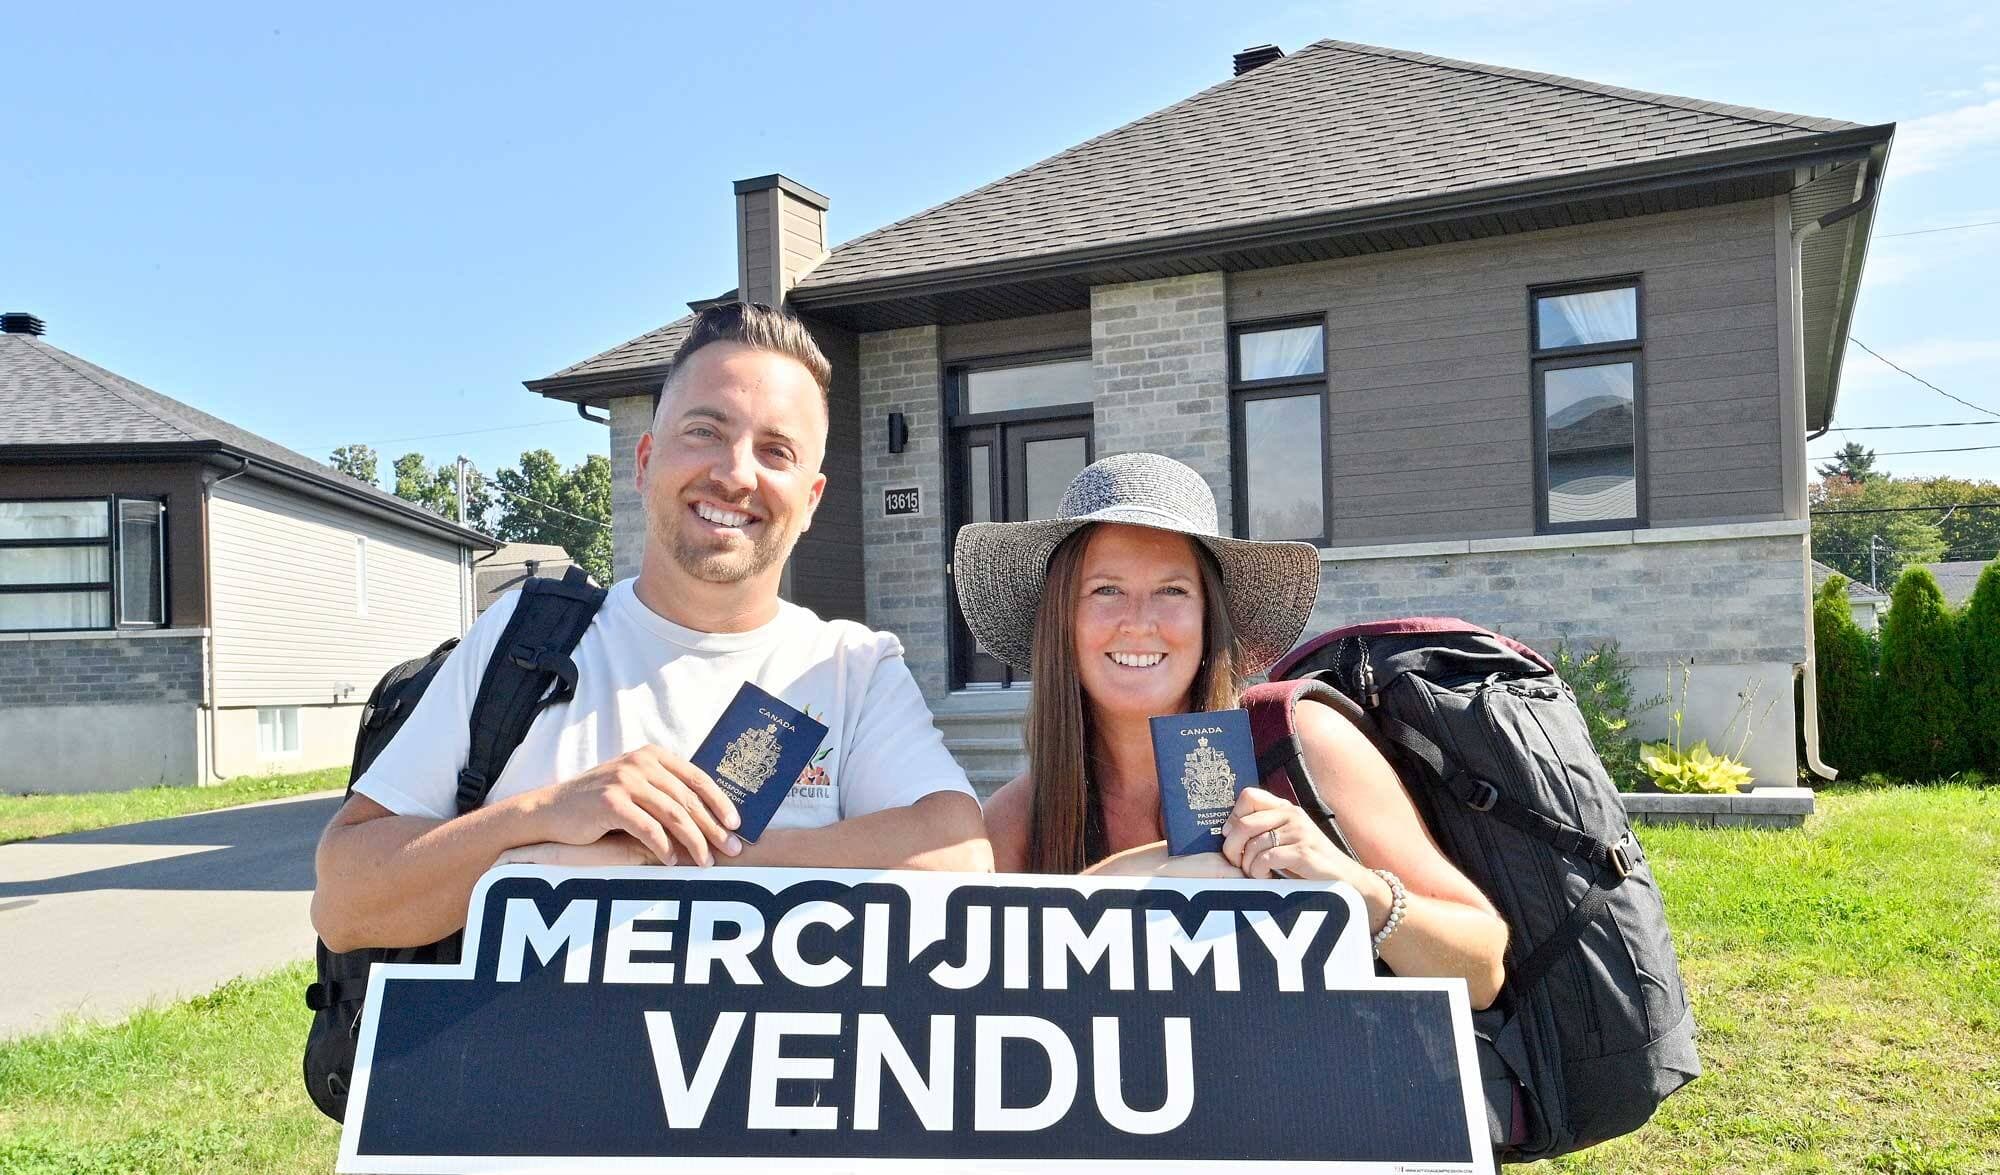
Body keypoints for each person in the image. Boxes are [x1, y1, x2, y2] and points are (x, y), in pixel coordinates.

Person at [312, 303, 991, 954]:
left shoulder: (851, 669)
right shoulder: (524, 639)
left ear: (811, 500)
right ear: (643, 462)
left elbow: (956, 856)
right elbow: (343, 903)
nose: (735, 473)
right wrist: (544, 815)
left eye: (777, 451)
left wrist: (646, 863)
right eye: (705, 431)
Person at [957, 452, 1507, 1008]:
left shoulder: (1299, 742)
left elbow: (1483, 970)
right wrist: (1119, 883)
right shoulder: (1015, 819)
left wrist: (1349, 887)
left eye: (1173, 591)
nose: (1140, 621)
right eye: (1105, 590)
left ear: (1208, 619)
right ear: (1061, 620)